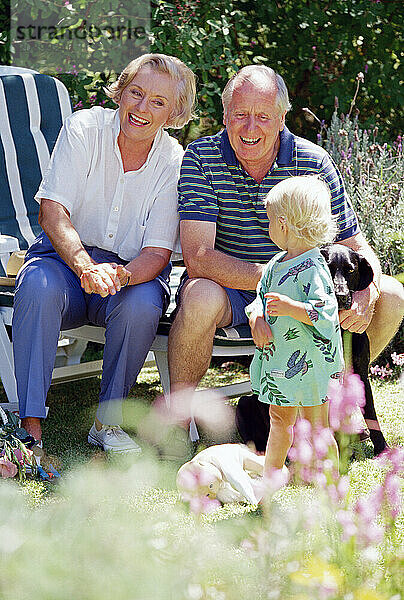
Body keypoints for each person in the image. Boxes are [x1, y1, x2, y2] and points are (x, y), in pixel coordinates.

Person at [168, 64, 404, 408]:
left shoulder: (313, 161)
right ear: (224, 116)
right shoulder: (202, 157)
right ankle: (178, 419)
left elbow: (355, 245)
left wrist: (367, 291)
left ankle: (338, 403)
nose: (251, 127)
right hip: (230, 291)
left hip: (307, 292)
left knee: (392, 295)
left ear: (282, 118)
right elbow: (198, 256)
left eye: (263, 116)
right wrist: (282, 278)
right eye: (240, 115)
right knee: (199, 295)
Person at [12, 53, 196, 452]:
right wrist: (84, 265)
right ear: (121, 92)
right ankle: (30, 427)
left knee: (143, 304)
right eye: (136, 93)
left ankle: (107, 424)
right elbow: (52, 211)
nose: (142, 108)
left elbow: (158, 251)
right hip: (65, 261)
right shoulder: (85, 128)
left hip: (129, 274)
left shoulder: (173, 161)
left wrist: (122, 275)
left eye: (159, 102)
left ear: (174, 112)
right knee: (37, 287)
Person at [246, 175, 342, 475]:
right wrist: (257, 317)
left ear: (284, 223)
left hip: (310, 364)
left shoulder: (314, 267)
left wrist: (293, 308)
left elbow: (326, 312)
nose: (269, 226)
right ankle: (270, 482)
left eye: (270, 220)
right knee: (279, 419)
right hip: (280, 362)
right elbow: (258, 298)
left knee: (317, 427)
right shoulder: (276, 264)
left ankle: (331, 485)